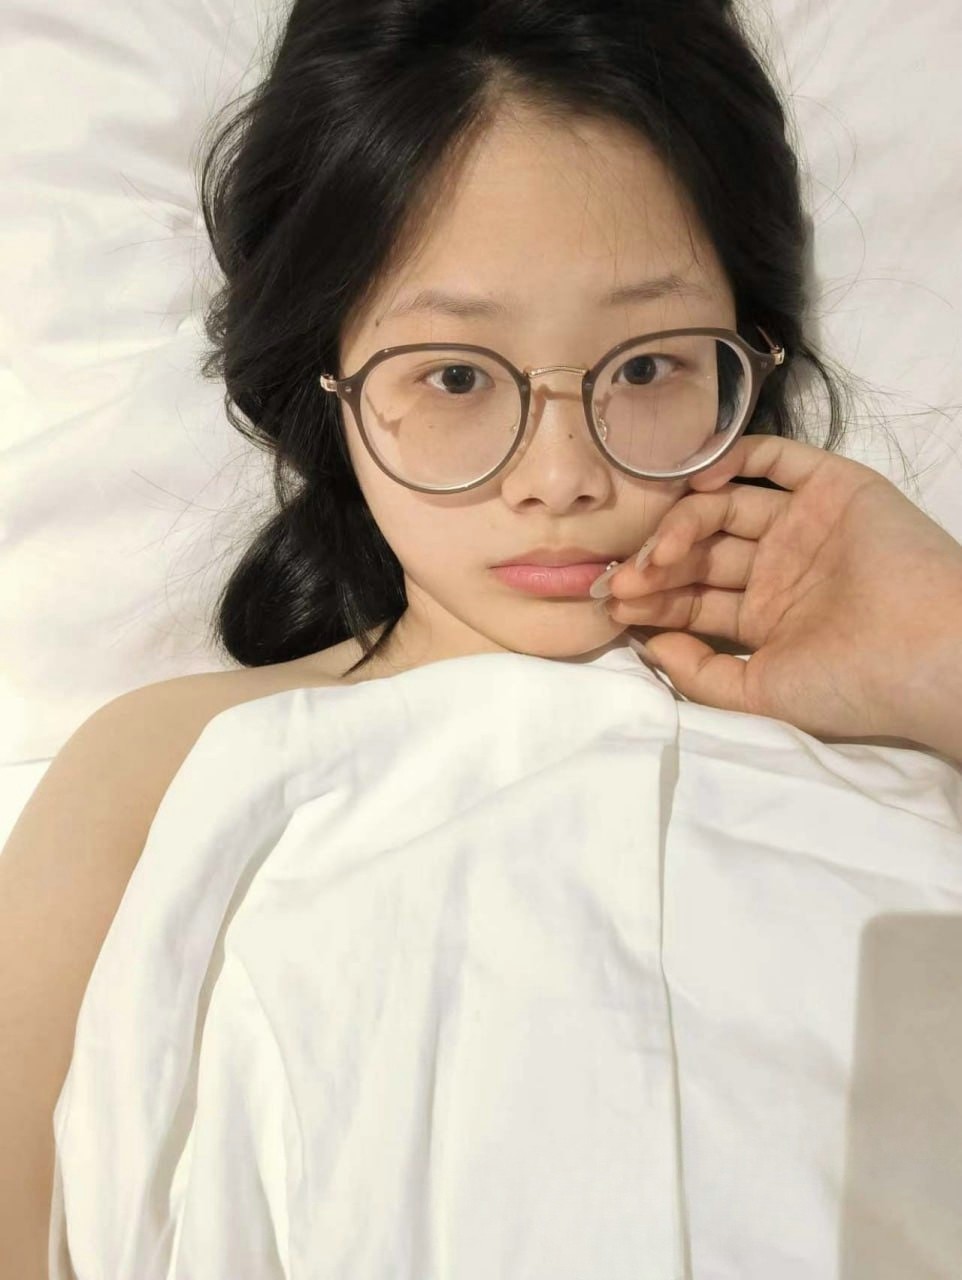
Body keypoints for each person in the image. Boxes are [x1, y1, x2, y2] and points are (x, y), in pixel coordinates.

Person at [4, 1, 962, 1276]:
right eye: (454, 376)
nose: (559, 477)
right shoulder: (165, 762)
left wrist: (937, 642)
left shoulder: (903, 705)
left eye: (645, 368)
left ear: (750, 350)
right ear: (328, 381)